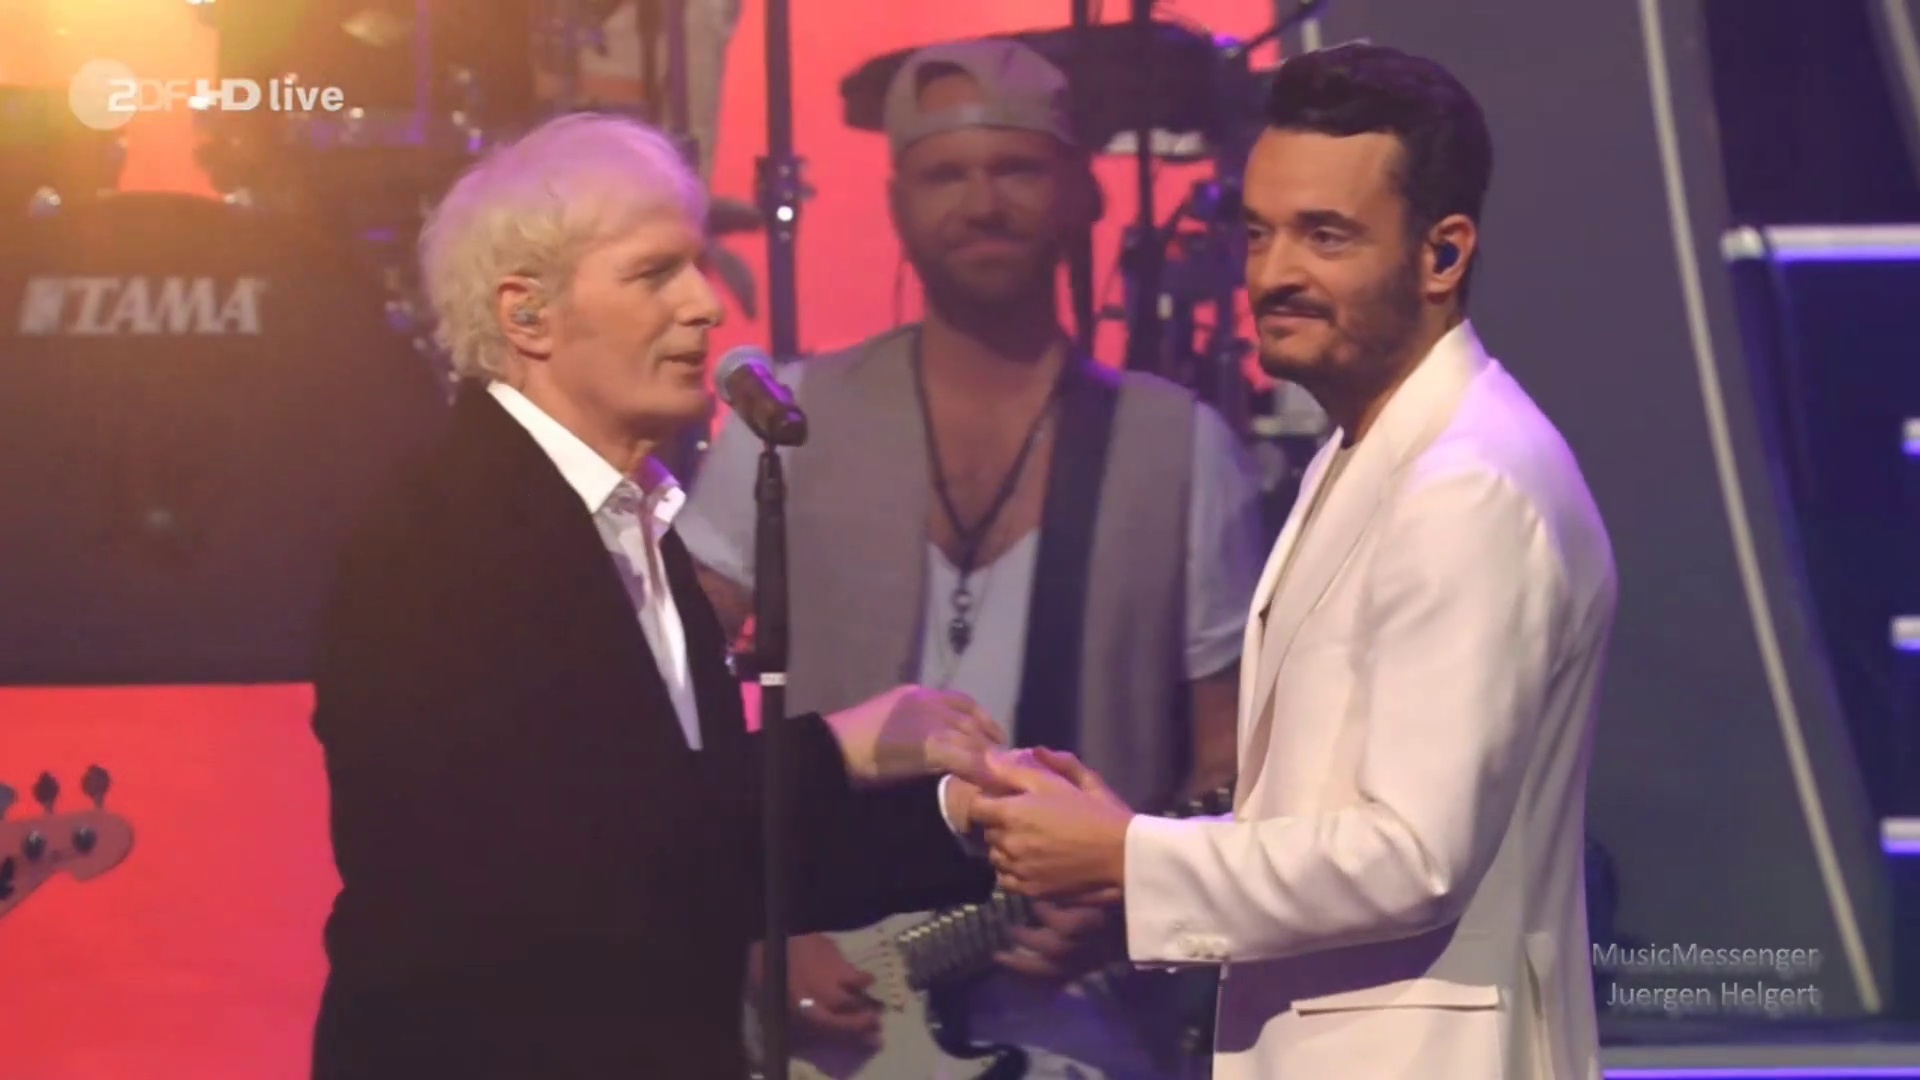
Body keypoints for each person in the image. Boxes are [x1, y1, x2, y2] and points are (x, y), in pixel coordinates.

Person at [307, 112, 1006, 1080]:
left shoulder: (632, 524)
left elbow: (716, 860)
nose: (706, 306)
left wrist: (972, 823)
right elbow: (574, 844)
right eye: (654, 273)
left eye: (700, 266)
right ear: (526, 316)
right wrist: (841, 746)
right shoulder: (436, 540)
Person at [967, 43, 1619, 1080]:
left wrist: (1129, 854)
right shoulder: (1374, 448)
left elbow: (1412, 856)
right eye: (1259, 232)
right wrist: (1120, 849)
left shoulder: (1466, 488)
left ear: (1443, 255)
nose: (1272, 275)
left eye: (1325, 235)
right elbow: (1331, 812)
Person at [676, 38, 1265, 1080]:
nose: (982, 203)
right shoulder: (789, 420)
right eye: (946, 174)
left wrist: (1140, 890)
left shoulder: (1181, 449)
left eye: (1017, 169)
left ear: (1081, 191)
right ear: (897, 202)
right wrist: (753, 921)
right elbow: (668, 689)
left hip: (1082, 1025)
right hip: (835, 1016)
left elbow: (1234, 761)